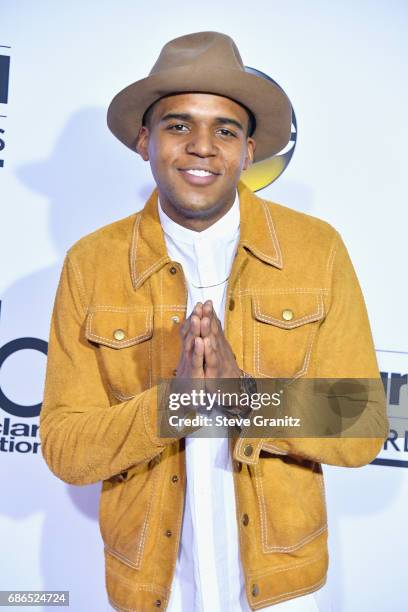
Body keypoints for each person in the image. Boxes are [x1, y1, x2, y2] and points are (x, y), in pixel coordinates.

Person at [40, 31, 388, 611]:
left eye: (226, 129)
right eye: (179, 126)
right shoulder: (91, 263)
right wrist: (172, 405)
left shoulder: (316, 249)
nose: (203, 146)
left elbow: (364, 423)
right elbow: (64, 446)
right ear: (144, 140)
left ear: (249, 152)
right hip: (151, 588)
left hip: (282, 589)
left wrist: (242, 396)